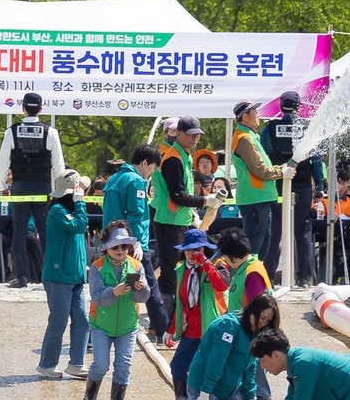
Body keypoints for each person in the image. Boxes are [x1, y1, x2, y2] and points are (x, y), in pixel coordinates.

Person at [187, 294, 281, 400]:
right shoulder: (228, 326)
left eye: (268, 321)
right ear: (252, 310)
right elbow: (216, 362)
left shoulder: (256, 333)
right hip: (204, 388)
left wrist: (251, 397)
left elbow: (251, 365)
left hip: (230, 390)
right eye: (262, 317)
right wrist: (204, 393)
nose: (263, 323)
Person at [101, 144, 170, 341]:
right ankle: (163, 330)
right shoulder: (136, 181)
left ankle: (100, 332)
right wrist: (137, 243)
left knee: (115, 285)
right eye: (152, 167)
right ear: (144, 162)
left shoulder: (114, 179)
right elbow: (137, 216)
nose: (152, 172)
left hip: (112, 243)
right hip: (132, 246)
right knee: (147, 285)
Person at [84, 225, 152, 400]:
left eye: (124, 246)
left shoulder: (136, 266)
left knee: (123, 366)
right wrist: (114, 292)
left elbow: (143, 297)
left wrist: (141, 288)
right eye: (115, 247)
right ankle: (89, 399)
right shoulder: (97, 267)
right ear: (107, 248)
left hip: (128, 325)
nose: (120, 250)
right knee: (100, 365)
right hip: (101, 325)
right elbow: (97, 297)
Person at [0, 92, 65, 289]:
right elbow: (59, 167)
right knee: (46, 232)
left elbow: (3, 163)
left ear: (23, 108)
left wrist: (2, 187)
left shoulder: (12, 131)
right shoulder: (50, 132)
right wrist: (60, 192)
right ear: (41, 110)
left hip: (19, 187)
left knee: (19, 232)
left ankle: (21, 276)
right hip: (43, 188)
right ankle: (49, 276)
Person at [164, 227, 229, 400]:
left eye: (197, 249)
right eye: (188, 249)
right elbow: (180, 302)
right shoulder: (180, 269)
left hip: (211, 330)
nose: (193, 253)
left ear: (204, 248)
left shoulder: (217, 265)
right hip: (190, 330)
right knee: (178, 368)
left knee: (206, 374)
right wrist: (171, 329)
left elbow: (222, 286)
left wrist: (206, 264)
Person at [151, 116, 218, 308]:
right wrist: (205, 200)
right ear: (178, 134)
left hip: (180, 219)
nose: (195, 138)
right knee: (170, 272)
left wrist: (195, 211)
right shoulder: (173, 158)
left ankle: (175, 316)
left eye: (197, 134)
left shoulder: (184, 155)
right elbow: (178, 195)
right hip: (170, 222)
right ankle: (163, 322)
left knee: (179, 267)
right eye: (190, 134)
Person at [214, 227, 275, 400]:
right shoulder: (244, 268)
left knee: (256, 382)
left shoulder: (252, 272)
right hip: (242, 334)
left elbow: (257, 310)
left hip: (254, 337)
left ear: (232, 256)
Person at [261, 90, 325, 285]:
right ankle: (304, 278)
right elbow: (316, 160)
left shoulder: (270, 128)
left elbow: (264, 156)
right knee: (303, 230)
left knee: (275, 231)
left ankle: (268, 276)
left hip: (277, 185)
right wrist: (319, 186)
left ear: (280, 107)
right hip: (303, 185)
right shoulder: (308, 127)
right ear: (299, 107)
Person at [38, 168, 89, 378]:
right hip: (58, 277)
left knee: (82, 319)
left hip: (75, 276)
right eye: (79, 190)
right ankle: (47, 365)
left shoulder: (71, 211)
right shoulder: (57, 211)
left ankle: (76, 363)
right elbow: (80, 226)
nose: (83, 192)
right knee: (58, 320)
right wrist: (80, 203)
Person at [229, 99, 286, 266]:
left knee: (262, 247)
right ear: (245, 116)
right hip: (255, 199)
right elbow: (259, 170)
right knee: (254, 248)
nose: (258, 115)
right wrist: (281, 171)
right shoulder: (245, 139)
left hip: (259, 198)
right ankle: (246, 284)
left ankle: (253, 284)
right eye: (255, 111)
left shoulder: (250, 136)